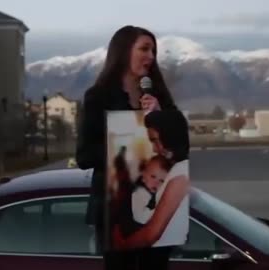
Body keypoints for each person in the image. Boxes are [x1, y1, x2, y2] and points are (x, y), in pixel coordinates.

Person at [76, 25, 178, 270]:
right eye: (144, 48)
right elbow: (85, 156)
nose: (151, 56)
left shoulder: (159, 96)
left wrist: (163, 118)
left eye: (154, 50)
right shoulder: (98, 97)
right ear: (123, 51)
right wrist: (132, 141)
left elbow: (178, 148)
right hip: (117, 209)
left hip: (156, 205)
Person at [113, 109, 191, 270]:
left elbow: (151, 234)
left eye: (156, 141)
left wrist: (121, 246)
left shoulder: (179, 175)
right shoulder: (178, 170)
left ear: (170, 136)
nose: (155, 149)